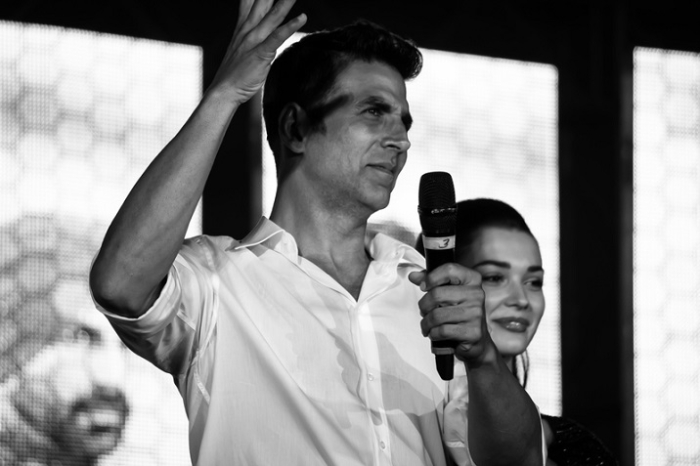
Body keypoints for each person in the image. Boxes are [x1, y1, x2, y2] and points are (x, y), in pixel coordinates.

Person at [88, 0, 545, 464]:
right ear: (296, 129)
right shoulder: (218, 284)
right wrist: (225, 94)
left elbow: (522, 461)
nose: (400, 139)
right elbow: (119, 284)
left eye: (403, 121)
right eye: (374, 112)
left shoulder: (425, 289)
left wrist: (484, 358)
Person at [417, 198, 617, 466]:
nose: (521, 299)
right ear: (440, 286)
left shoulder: (575, 445)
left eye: (533, 282)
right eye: (494, 278)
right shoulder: (401, 429)